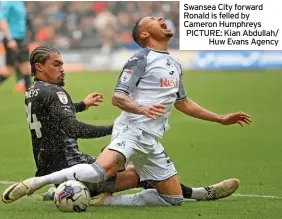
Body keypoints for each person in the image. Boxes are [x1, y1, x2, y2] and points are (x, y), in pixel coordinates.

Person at [2, 16, 251, 206]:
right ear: (144, 33)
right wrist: (138, 111)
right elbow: (118, 97)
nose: (162, 20)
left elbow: (182, 102)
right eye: (154, 20)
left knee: (172, 200)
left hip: (151, 137)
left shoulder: (174, 63)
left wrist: (220, 119)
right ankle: (35, 183)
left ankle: (101, 198)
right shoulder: (139, 59)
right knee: (102, 170)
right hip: (132, 128)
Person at [0, 1, 31, 91]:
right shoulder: (7, 2)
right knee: (9, 70)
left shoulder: (21, 2)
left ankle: (30, 92)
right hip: (12, 39)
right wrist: (10, 39)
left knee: (25, 66)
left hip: (21, 39)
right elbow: (2, 20)